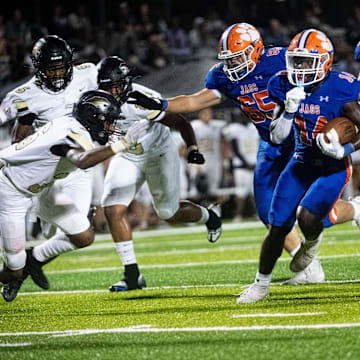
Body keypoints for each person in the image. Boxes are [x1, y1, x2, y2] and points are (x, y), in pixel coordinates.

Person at [127, 23, 333, 285]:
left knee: (314, 201)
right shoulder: (223, 77)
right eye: (229, 59)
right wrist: (161, 105)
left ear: (256, 50)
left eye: (238, 56)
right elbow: (194, 101)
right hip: (272, 143)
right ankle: (310, 268)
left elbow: (319, 76)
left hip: (303, 135)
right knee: (268, 211)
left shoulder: (280, 59)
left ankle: (353, 211)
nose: (234, 63)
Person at [236, 28, 360, 303]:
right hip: (301, 159)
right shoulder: (282, 85)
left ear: (325, 61)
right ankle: (261, 284)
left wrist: (346, 148)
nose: (300, 68)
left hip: (333, 165)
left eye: (306, 61)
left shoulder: (342, 86)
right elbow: (278, 137)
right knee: (277, 224)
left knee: (308, 217)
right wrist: (289, 111)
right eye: (296, 61)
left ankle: (312, 245)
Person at [0, 90, 148, 302]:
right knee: (13, 269)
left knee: (84, 236)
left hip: (43, 190)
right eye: (108, 121)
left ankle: (33, 260)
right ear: (92, 117)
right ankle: (19, 271)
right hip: (11, 193)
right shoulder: (73, 134)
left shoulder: (70, 123)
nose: (111, 127)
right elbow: (82, 160)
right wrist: (122, 144)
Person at [97, 56, 222, 291]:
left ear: (126, 84)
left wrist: (192, 147)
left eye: (116, 86)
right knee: (113, 207)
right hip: (127, 155)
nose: (112, 92)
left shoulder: (139, 99)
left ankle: (210, 216)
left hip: (158, 153)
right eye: (107, 87)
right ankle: (132, 274)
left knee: (168, 212)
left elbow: (180, 121)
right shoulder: (95, 100)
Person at [0, 34, 99, 300]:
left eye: (60, 68)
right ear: (37, 68)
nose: (56, 75)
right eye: (50, 69)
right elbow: (17, 136)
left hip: (77, 169)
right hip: (49, 173)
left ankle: (34, 260)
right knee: (55, 232)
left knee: (83, 236)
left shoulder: (88, 73)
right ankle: (20, 266)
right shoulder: (22, 96)